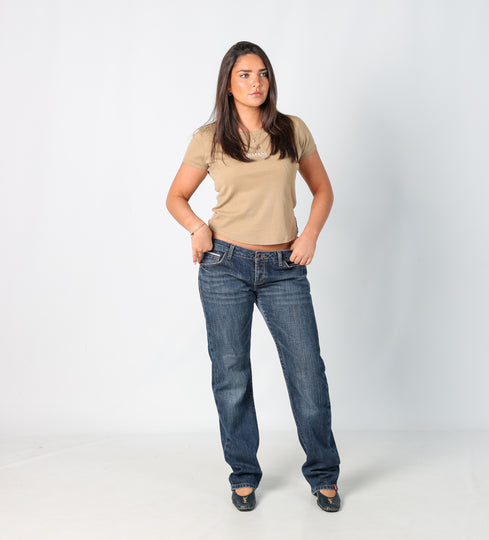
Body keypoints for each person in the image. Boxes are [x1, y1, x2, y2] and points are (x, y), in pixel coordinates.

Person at [166, 41, 341, 512]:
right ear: (228, 83)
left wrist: (310, 235)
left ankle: (323, 474)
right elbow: (175, 197)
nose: (255, 82)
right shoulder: (209, 138)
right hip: (225, 265)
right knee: (232, 374)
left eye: (262, 73)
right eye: (244, 74)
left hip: (285, 268)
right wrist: (198, 228)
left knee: (307, 372)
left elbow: (323, 189)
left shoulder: (292, 130)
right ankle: (243, 473)